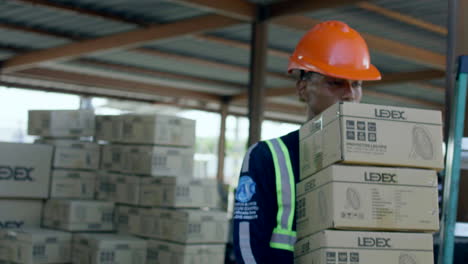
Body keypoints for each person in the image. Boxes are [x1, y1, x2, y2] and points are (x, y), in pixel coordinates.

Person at [232, 20, 382, 263]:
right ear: (303, 88)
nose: (350, 94)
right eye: (335, 82)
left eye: (357, 84)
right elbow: (246, 246)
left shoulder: (373, 160)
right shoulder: (267, 156)